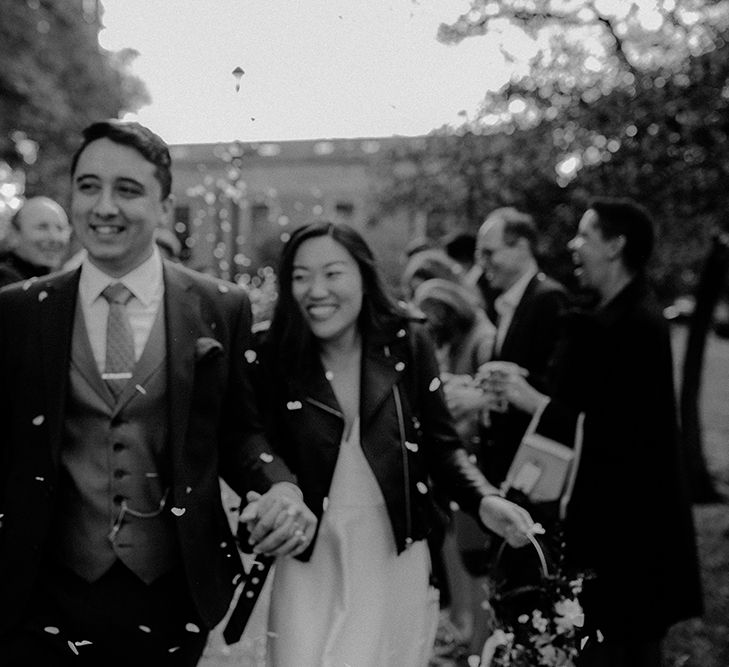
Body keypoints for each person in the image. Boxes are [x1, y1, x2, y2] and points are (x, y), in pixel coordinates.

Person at [0, 120, 315, 667]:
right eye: (89, 186)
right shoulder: (19, 310)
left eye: (127, 190)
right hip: (41, 587)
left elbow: (240, 432)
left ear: (165, 208)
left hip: (171, 590)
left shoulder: (221, 306)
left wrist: (279, 489)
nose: (104, 206)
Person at [251, 221, 537, 666]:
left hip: (392, 549)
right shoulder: (270, 352)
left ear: (364, 275)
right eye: (300, 276)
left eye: (332, 273)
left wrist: (484, 500)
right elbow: (252, 443)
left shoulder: (408, 340)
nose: (316, 290)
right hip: (308, 556)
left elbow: (441, 444)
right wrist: (275, 491)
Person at [495, 198, 703, 665]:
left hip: (630, 535)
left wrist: (534, 402)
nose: (573, 244)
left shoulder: (638, 326)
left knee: (625, 649)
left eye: (585, 235)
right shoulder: (604, 316)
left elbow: (627, 438)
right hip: (601, 525)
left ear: (615, 246)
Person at [448, 207, 567, 487]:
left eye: (489, 253)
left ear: (522, 248)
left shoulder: (549, 299)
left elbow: (548, 386)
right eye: (479, 255)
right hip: (503, 463)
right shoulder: (509, 302)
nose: (481, 264)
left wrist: (481, 399)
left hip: (533, 467)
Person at [413, 277, 498, 659]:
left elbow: (489, 402)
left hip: (477, 463)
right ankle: (467, 633)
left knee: (477, 561)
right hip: (458, 460)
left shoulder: (481, 341)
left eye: (433, 319)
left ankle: (479, 644)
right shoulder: (460, 340)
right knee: (464, 554)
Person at [0, 196, 71, 287]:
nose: (54, 238)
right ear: (14, 234)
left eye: (60, 228)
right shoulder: (6, 285)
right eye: (42, 227)